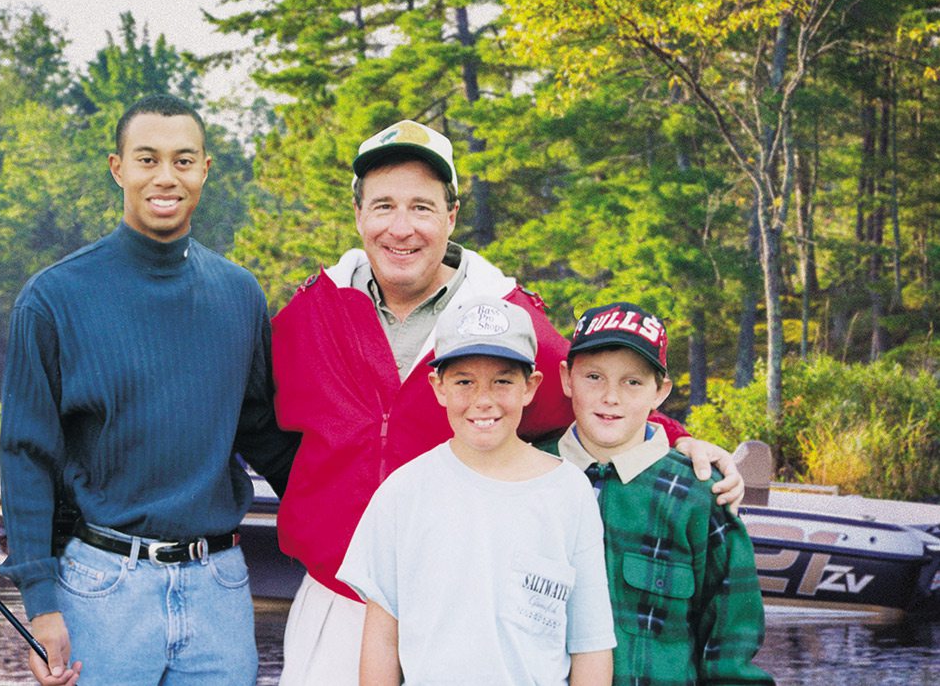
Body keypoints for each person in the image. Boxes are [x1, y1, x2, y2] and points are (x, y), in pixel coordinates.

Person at [270, 119, 745, 684]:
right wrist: (308, 498)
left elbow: (590, 390)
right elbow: (258, 417)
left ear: (450, 217)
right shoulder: (309, 316)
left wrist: (673, 434)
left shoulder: (504, 317)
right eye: (383, 207)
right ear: (358, 216)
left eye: (422, 208)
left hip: (464, 607)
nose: (401, 228)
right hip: (337, 601)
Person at [0, 94, 296, 686]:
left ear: (205, 170)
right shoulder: (53, 299)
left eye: (184, 161)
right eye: (147, 159)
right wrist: (41, 604)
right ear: (118, 168)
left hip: (220, 586)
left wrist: (367, 512)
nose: (166, 177)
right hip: (102, 588)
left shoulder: (239, 295)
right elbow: (27, 456)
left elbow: (264, 433)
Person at [337, 295, 616, 685]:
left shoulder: (569, 491)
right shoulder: (403, 492)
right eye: (464, 381)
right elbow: (383, 638)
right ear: (438, 386)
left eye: (502, 381)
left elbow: (590, 642)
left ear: (530, 386)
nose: (483, 400)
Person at [553, 302, 772, 684]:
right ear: (567, 378)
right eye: (593, 377)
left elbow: (731, 655)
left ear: (661, 391)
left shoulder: (701, 496)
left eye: (632, 382)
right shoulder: (523, 474)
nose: (611, 397)